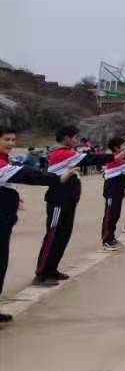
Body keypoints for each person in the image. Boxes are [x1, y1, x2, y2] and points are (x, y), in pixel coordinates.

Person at [1, 126, 74, 324]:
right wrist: (57, 179)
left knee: (2, 263)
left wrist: (15, 198)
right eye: (6, 139)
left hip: (5, 219)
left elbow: (10, 181)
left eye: (13, 140)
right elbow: (27, 175)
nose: (11, 143)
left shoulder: (4, 160)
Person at [34, 126, 114, 287]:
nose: (77, 141)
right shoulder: (62, 153)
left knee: (63, 235)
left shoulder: (68, 153)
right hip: (58, 201)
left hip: (69, 201)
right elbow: (88, 159)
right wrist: (112, 156)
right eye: (75, 137)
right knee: (53, 235)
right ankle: (42, 273)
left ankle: (52, 269)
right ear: (66, 138)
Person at [101, 137, 125, 250]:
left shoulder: (119, 159)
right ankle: (106, 240)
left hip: (118, 191)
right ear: (116, 148)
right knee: (109, 215)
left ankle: (111, 237)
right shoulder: (113, 159)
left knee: (115, 215)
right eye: (123, 145)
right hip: (111, 192)